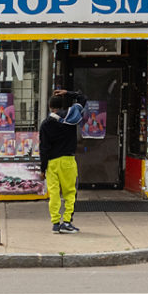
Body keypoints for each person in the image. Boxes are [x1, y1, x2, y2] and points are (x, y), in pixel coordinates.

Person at [40, 89, 85, 233]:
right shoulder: (71, 117)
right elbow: (83, 98)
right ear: (63, 105)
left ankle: (55, 223)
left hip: (52, 162)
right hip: (68, 161)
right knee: (70, 193)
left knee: (54, 193)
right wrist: (68, 93)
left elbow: (44, 148)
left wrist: (43, 168)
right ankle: (66, 222)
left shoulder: (45, 124)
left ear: (49, 107)